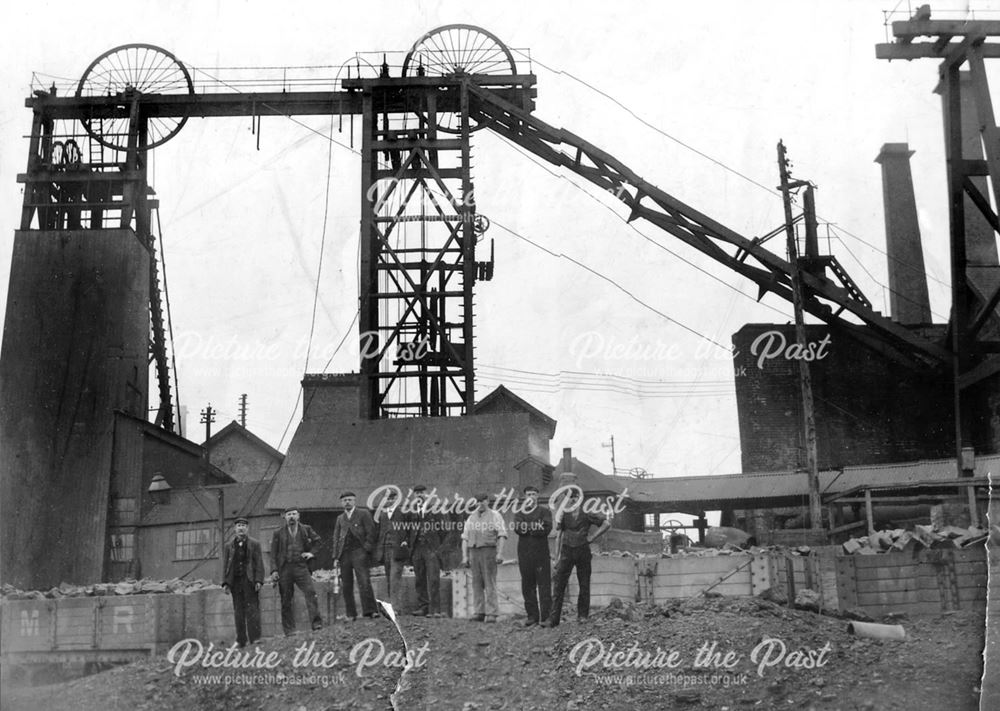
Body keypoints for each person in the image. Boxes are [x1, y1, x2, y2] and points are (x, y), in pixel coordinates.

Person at [541, 489, 611, 627]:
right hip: (567, 552)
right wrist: (556, 557)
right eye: (569, 497)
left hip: (583, 551)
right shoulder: (564, 516)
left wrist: (592, 537)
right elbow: (559, 536)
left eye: (575, 497)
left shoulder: (587, 514)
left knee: (584, 584)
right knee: (559, 585)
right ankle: (553, 620)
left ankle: (582, 616)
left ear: (580, 499)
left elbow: (606, 524)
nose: (572, 500)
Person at [270, 507, 323, 635]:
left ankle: (317, 625)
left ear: (298, 516)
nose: (291, 517)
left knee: (310, 593)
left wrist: (311, 553)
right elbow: (273, 554)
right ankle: (289, 630)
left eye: (294, 514)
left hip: (301, 567)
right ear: (285, 517)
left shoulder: (306, 529)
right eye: (289, 515)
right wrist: (274, 571)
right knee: (286, 599)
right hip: (285, 569)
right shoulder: (278, 533)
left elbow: (318, 542)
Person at [461, 492, 508, 623]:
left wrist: (500, 553)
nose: (480, 503)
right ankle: (479, 612)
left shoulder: (495, 515)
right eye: (478, 501)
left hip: (489, 551)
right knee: (476, 583)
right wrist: (465, 556)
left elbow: (502, 535)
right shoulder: (471, 518)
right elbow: (465, 538)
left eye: (483, 501)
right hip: (474, 552)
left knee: (489, 582)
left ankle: (492, 613)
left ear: (487, 501)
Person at [331, 491, 378, 620]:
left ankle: (370, 611)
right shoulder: (340, 518)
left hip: (359, 551)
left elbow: (371, 532)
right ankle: (351, 614)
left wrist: (366, 549)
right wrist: (336, 555)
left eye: (350, 500)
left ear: (354, 501)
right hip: (344, 554)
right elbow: (336, 537)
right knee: (346, 585)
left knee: (364, 581)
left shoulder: (363, 513)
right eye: (345, 500)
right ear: (341, 503)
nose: (347, 502)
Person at [511, 485, 552, 627]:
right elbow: (517, 528)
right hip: (525, 553)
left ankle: (546, 617)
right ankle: (532, 616)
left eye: (534, 494)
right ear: (524, 497)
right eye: (529, 494)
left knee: (544, 585)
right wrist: (535, 526)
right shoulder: (519, 513)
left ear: (537, 496)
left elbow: (547, 528)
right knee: (527, 585)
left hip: (541, 553)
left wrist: (528, 528)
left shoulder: (545, 511)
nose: (531, 497)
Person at [222, 516, 264, 647]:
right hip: (236, 583)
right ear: (235, 529)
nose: (241, 528)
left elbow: (259, 564)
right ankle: (241, 640)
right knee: (238, 612)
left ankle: (255, 638)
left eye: (244, 526)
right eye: (239, 525)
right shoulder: (229, 546)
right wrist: (225, 583)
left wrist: (259, 580)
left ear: (247, 528)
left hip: (250, 581)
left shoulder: (254, 544)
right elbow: (226, 566)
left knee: (253, 611)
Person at [407, 485, 445, 617]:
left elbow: (444, 530)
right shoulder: (411, 511)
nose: (419, 495)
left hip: (431, 549)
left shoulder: (435, 509)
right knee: (419, 579)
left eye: (421, 493)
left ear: (427, 494)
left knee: (434, 579)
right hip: (417, 548)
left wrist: (437, 547)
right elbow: (408, 530)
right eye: (416, 493)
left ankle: (435, 610)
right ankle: (423, 607)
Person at [375, 489, 409, 613]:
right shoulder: (383, 514)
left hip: (398, 549)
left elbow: (411, 528)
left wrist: (406, 541)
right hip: (386, 550)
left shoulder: (403, 512)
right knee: (389, 578)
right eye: (387, 499)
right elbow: (380, 532)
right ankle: (392, 606)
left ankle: (396, 607)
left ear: (396, 499)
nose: (389, 501)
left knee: (395, 578)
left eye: (392, 498)